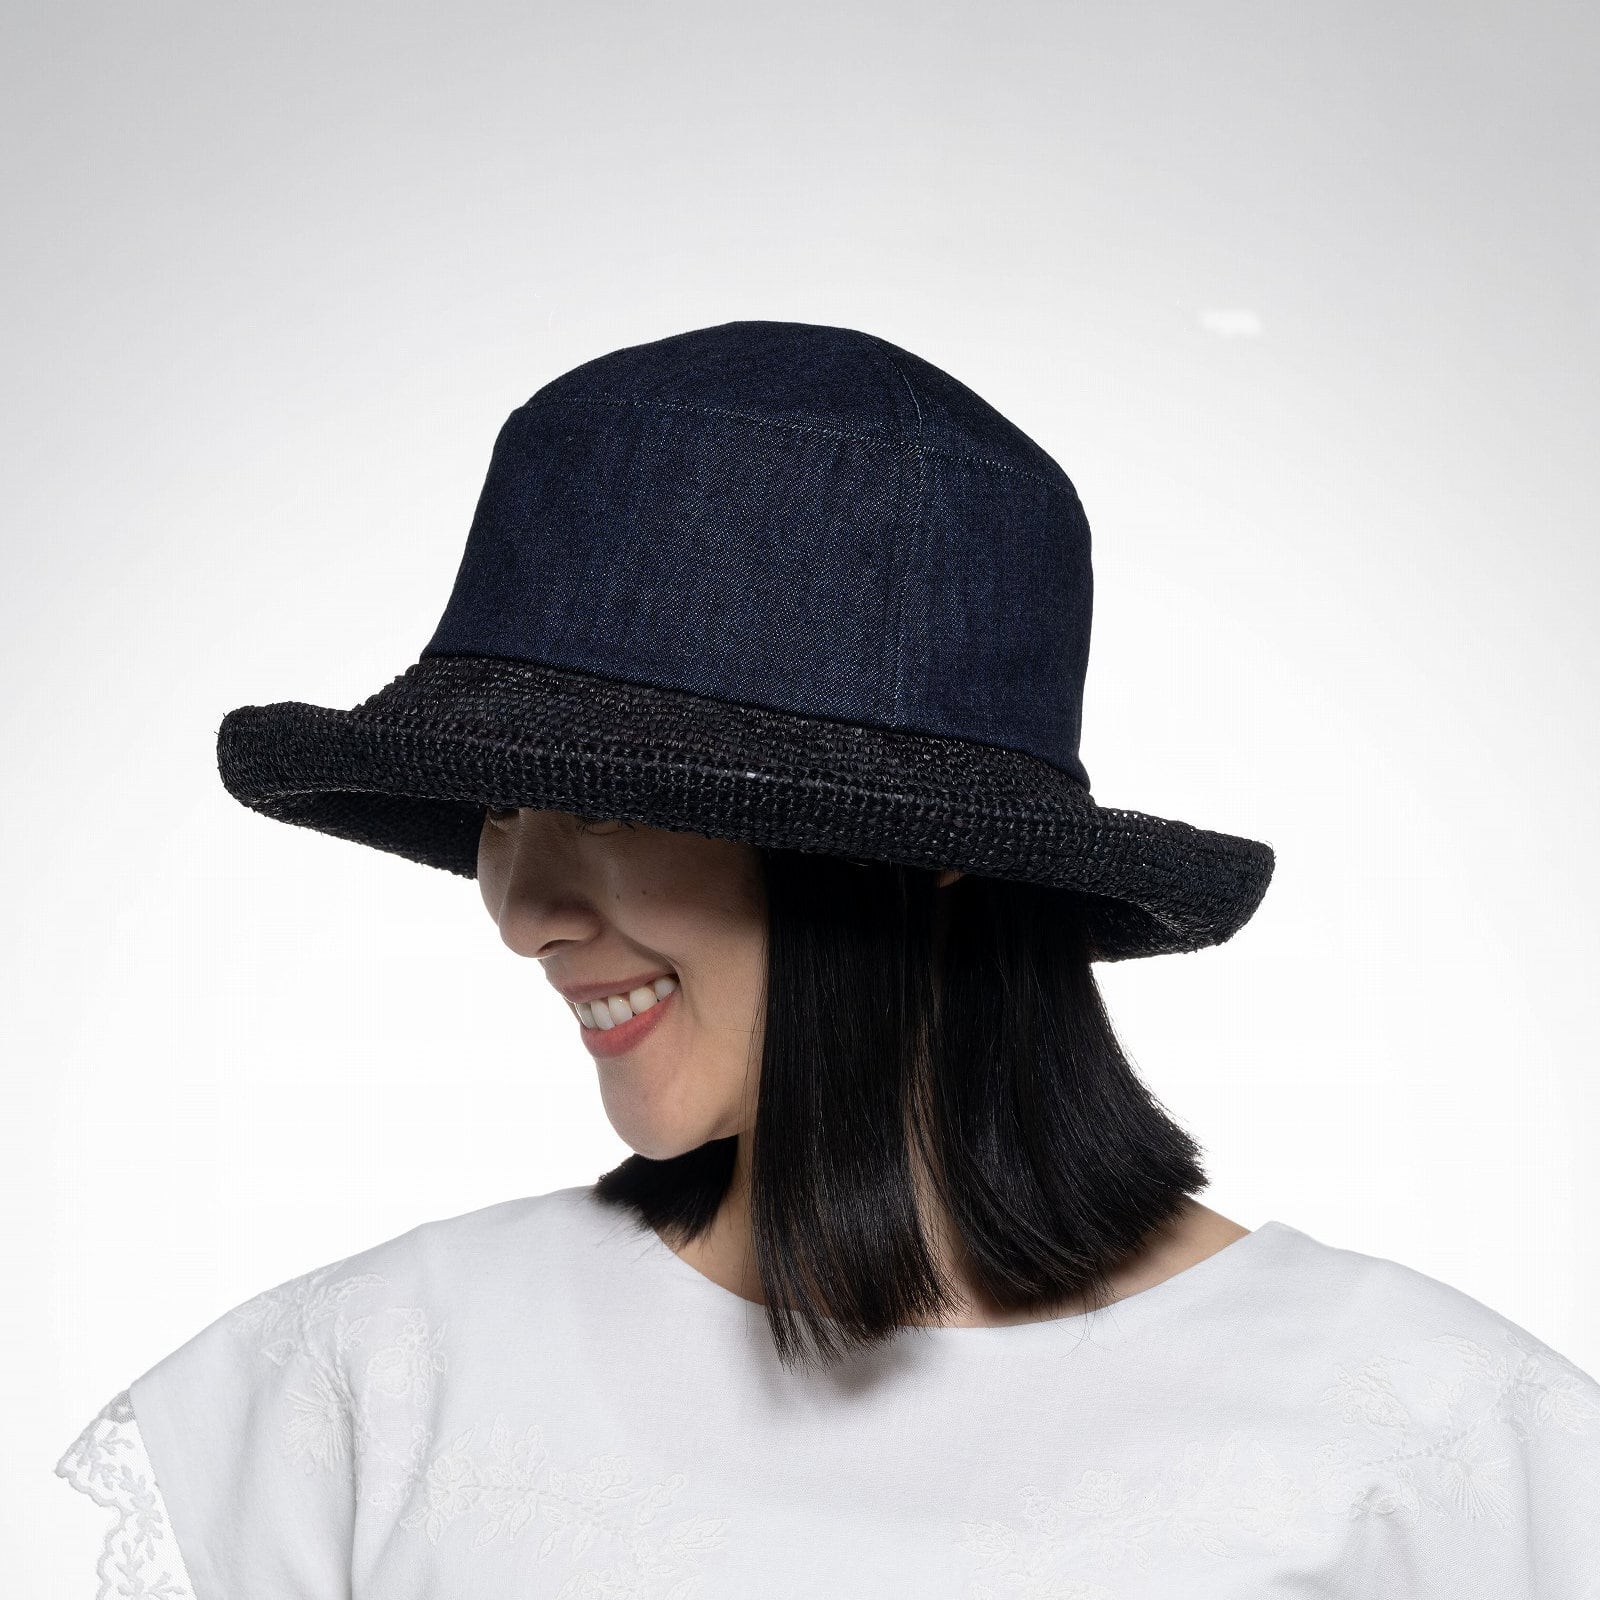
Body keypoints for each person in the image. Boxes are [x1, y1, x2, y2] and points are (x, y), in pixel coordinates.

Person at [57, 321, 1600, 1597]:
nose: (521, 911)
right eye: (503, 807)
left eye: (608, 807)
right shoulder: (362, 1395)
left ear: (927, 848)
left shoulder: (1443, 1455)